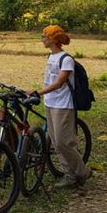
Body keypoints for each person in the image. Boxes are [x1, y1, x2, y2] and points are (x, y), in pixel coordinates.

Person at [31, 24, 92, 188]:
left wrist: (38, 92)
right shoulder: (50, 57)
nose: (42, 39)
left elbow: (58, 83)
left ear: (53, 39)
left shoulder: (66, 60)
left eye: (44, 36)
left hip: (63, 105)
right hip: (50, 103)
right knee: (56, 143)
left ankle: (83, 172)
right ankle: (69, 174)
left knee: (64, 142)